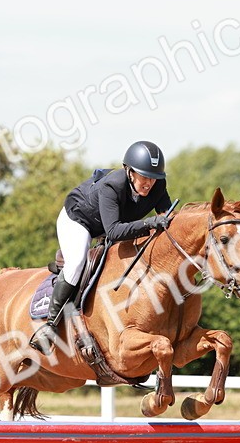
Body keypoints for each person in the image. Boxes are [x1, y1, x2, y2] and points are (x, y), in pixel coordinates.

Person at [30, 140, 173, 355]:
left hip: (109, 224)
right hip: (78, 220)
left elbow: (167, 218)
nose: (149, 183)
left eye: (153, 178)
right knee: (77, 262)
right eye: (144, 176)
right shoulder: (112, 186)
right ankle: (50, 325)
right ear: (130, 172)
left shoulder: (158, 186)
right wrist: (149, 224)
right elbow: (114, 231)